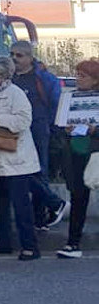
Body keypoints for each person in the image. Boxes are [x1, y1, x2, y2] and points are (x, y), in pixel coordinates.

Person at [0, 55, 41, 261]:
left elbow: (23, 120)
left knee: (21, 205)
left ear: (4, 76)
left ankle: (30, 246)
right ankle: (3, 242)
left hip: (14, 157)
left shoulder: (15, 93)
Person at [9, 40, 68, 230]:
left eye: (19, 55)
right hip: (15, 129)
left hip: (38, 128)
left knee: (39, 171)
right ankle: (44, 212)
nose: (15, 59)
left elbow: (55, 102)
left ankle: (42, 217)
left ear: (30, 57)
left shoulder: (43, 78)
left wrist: (51, 126)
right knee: (20, 171)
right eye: (12, 54)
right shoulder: (9, 77)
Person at [56, 60, 99, 259]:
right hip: (75, 153)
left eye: (84, 76)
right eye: (78, 74)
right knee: (78, 198)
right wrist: (65, 129)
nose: (78, 79)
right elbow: (58, 125)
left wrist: (94, 130)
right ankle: (73, 243)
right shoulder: (69, 98)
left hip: (95, 153)